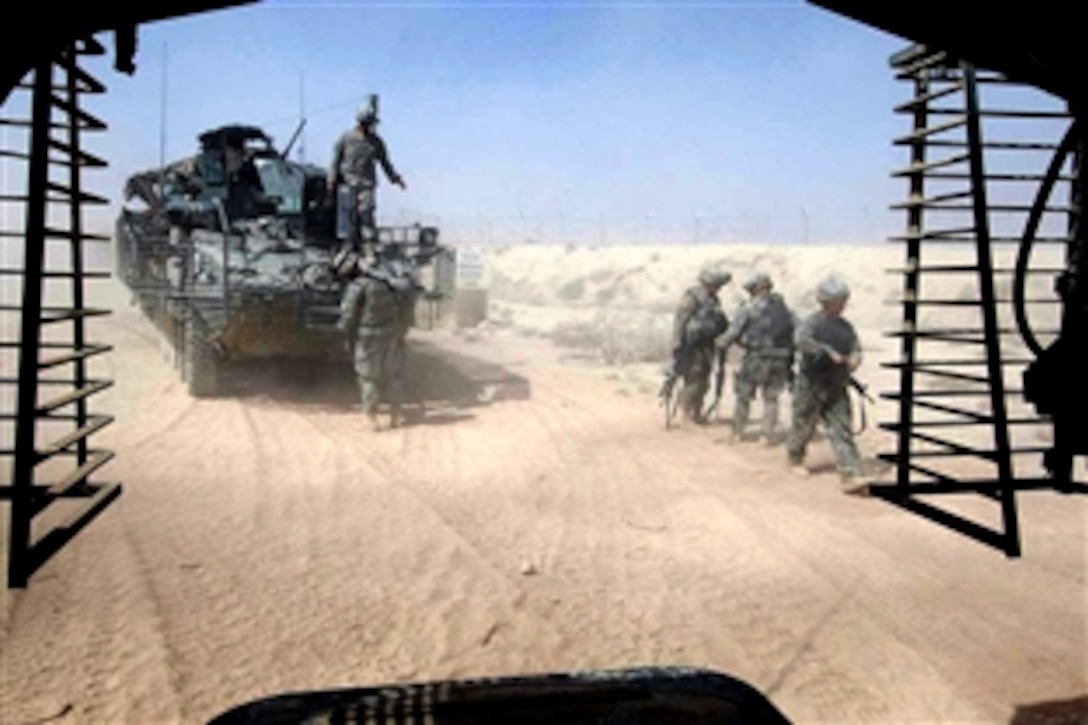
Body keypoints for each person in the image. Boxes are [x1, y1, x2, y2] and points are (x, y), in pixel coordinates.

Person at [786, 275, 868, 495]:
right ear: (825, 302)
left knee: (841, 429)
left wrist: (855, 359)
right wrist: (826, 351)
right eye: (837, 302)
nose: (841, 306)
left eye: (843, 301)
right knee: (803, 425)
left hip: (836, 385)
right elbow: (801, 341)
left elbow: (856, 347)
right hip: (811, 384)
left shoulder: (845, 327)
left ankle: (851, 474)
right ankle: (795, 458)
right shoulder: (811, 323)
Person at [334, 246, 413, 431]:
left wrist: (342, 331)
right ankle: (397, 414)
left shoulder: (359, 286)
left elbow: (348, 315)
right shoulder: (390, 282)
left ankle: (371, 418)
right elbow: (405, 305)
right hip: (391, 333)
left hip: (368, 337)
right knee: (393, 375)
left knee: (369, 378)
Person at [716, 272, 796, 445]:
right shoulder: (785, 309)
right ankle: (766, 436)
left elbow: (733, 332)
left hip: (756, 357)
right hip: (781, 359)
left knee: (743, 394)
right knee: (771, 397)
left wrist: (719, 344)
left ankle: (738, 432)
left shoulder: (749, 308)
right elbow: (799, 331)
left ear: (756, 289)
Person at [327, 100, 407, 257]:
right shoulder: (346, 138)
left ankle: (369, 249)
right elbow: (335, 161)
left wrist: (396, 178)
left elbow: (385, 163)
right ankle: (346, 248)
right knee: (347, 217)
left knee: (366, 215)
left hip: (366, 185)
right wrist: (331, 181)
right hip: (347, 184)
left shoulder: (376, 142)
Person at [670, 264, 732, 426]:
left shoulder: (713, 300)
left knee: (704, 381)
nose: (719, 288)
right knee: (693, 379)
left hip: (707, 346)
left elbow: (720, 321)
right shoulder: (692, 297)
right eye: (717, 284)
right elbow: (680, 322)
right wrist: (677, 345)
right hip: (692, 346)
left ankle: (696, 413)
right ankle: (685, 414)